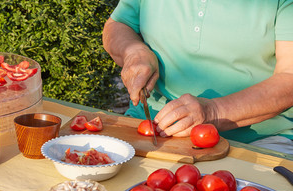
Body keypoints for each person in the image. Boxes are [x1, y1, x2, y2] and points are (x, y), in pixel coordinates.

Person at [102, 0, 293, 154]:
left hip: (258, 140)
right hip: (151, 125)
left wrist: (214, 112)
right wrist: (134, 52)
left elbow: (289, 76)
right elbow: (119, 24)